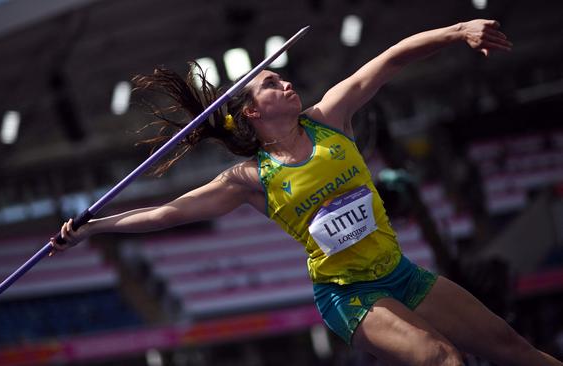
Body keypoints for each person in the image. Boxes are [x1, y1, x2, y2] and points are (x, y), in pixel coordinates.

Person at [51, 19, 561, 365]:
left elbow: (391, 59)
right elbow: (168, 213)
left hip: (400, 274)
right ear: (253, 112)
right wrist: (93, 228)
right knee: (443, 360)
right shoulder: (250, 178)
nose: (287, 84)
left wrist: (458, 31)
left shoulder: (330, 118)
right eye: (273, 83)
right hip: (349, 296)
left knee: (510, 346)